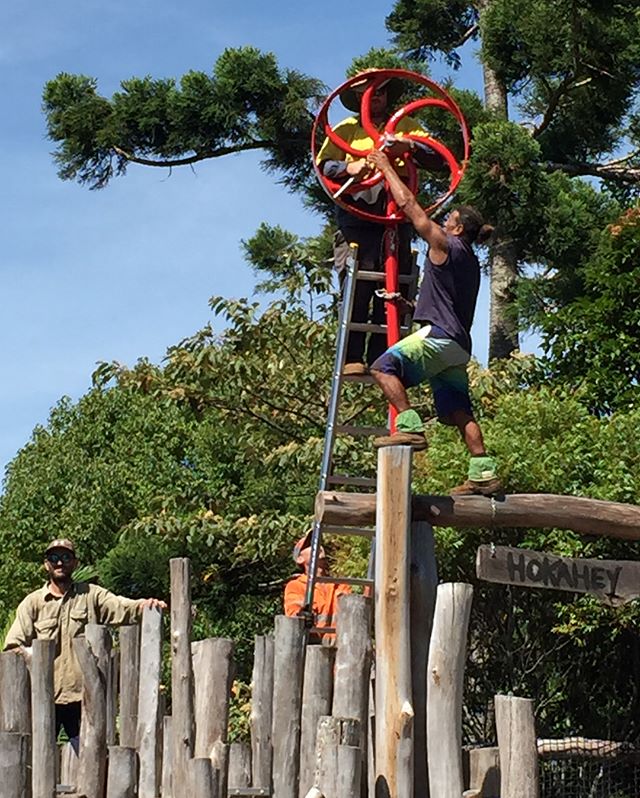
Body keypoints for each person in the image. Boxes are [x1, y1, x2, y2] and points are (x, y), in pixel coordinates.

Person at [366, 147, 503, 497]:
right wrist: (410, 304)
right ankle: (483, 471)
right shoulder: (469, 260)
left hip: (439, 338)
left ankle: (409, 426)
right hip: (457, 347)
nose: (442, 222)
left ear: (457, 228)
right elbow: (446, 301)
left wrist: (385, 167)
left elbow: (410, 206)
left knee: (383, 368)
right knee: (457, 411)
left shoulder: (446, 245)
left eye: (449, 219)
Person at [316, 71, 445, 374]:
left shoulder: (405, 127)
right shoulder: (346, 129)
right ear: (359, 99)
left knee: (394, 286)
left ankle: (383, 356)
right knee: (358, 284)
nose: (377, 99)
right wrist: (351, 166)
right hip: (358, 217)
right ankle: (352, 357)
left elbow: (438, 158)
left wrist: (409, 147)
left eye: (382, 93)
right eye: (371, 94)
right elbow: (324, 166)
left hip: (395, 216)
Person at [3, 538, 167, 748]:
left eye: (65, 557)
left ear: (75, 563)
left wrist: (145, 605)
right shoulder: (33, 603)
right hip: (43, 700)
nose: (60, 563)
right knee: (36, 762)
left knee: (93, 761)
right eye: (54, 558)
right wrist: (30, 658)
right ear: (46, 564)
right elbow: (11, 647)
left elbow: (120, 606)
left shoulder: (91, 594)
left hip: (83, 698)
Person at [283, 532, 350, 642]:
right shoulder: (296, 586)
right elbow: (293, 615)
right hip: (313, 651)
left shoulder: (340, 585)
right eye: (310, 544)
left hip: (340, 648)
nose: (318, 545)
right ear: (300, 559)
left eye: (319, 542)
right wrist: (301, 616)